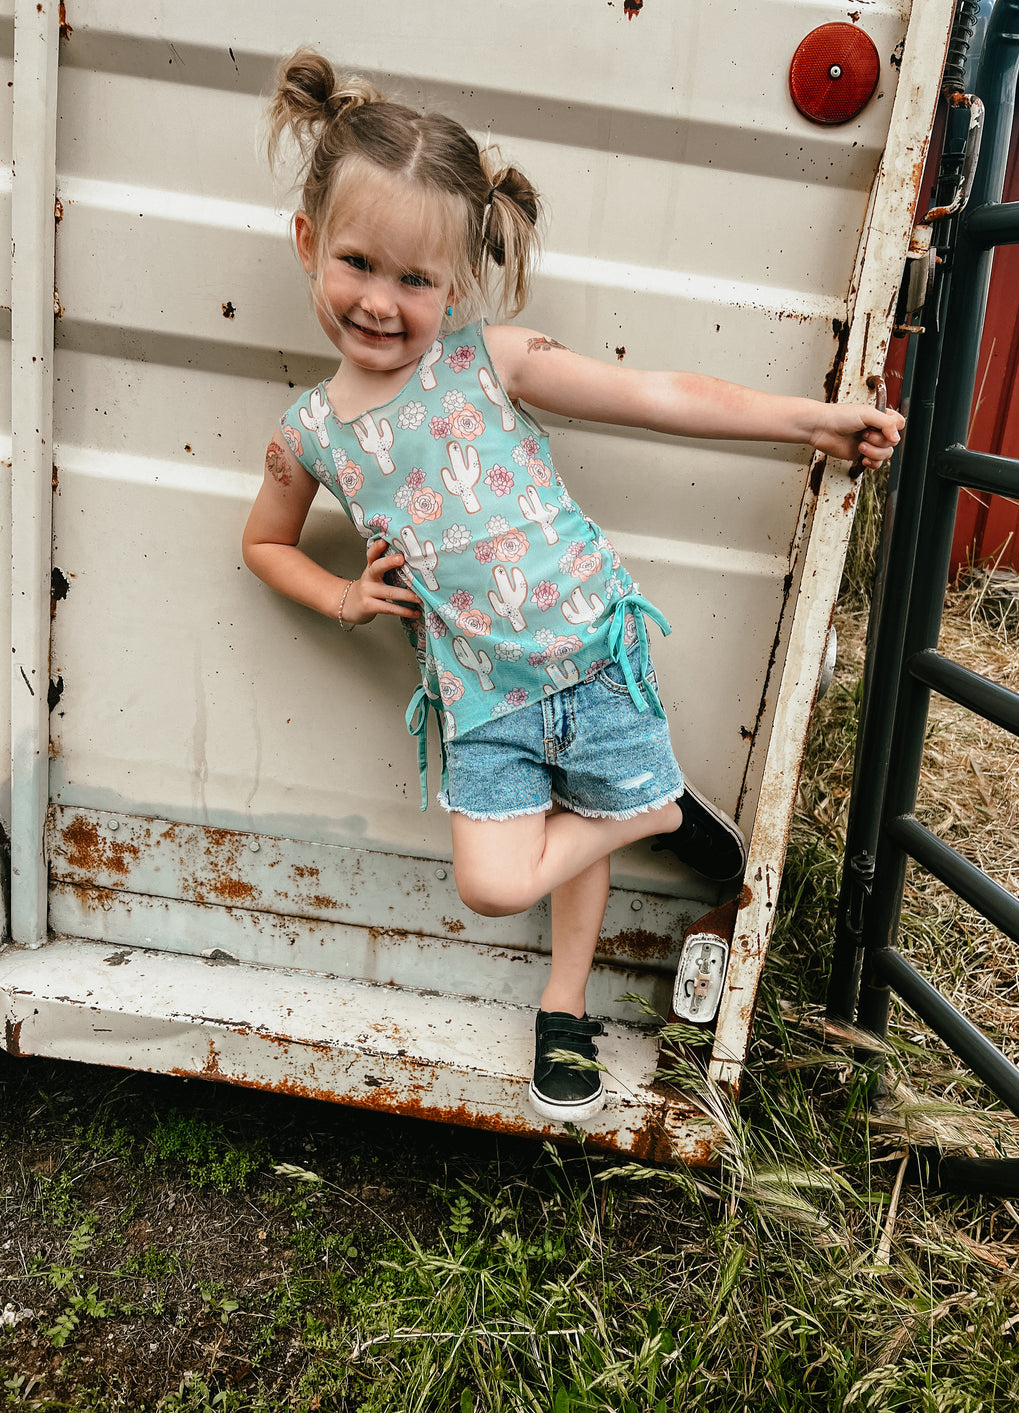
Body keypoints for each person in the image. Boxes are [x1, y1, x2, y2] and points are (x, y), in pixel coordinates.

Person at [243, 48, 904, 1125]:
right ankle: (648, 807)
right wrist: (345, 598)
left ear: (454, 284)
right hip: (482, 694)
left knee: (564, 835)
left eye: (415, 280)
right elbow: (264, 543)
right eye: (359, 263)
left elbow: (654, 396)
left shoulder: (489, 359)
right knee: (496, 879)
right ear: (311, 242)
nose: (381, 302)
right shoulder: (308, 436)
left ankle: (564, 1004)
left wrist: (810, 422)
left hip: (592, 654)